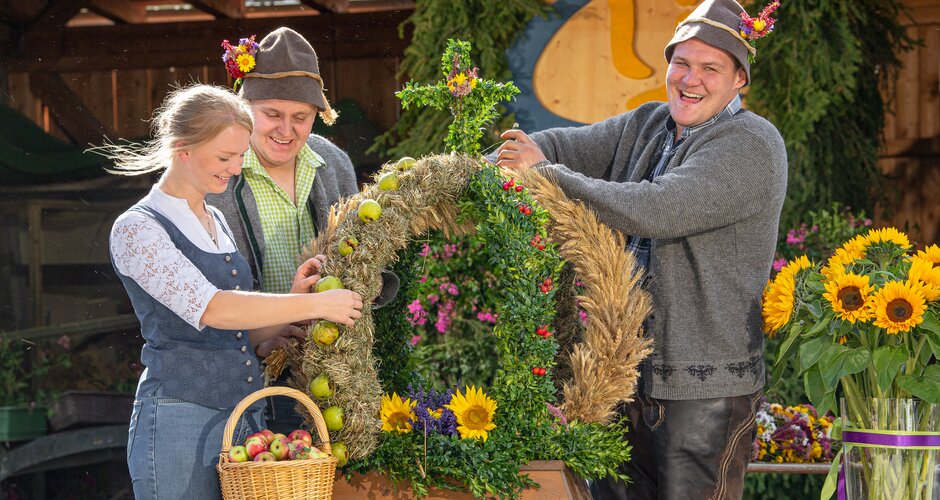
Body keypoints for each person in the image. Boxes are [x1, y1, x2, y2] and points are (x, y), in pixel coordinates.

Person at [495, 0, 787, 498]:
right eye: (681, 63)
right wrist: (479, 168)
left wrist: (542, 174)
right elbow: (558, 145)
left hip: (705, 395)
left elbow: (657, 208)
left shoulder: (751, 142)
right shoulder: (648, 124)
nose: (690, 80)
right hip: (623, 378)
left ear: (740, 79)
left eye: (710, 68)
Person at [106, 84, 363, 499]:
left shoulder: (214, 221)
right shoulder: (138, 228)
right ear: (182, 150)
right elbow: (213, 310)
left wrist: (295, 300)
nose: (237, 168)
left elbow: (238, 335)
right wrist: (315, 303)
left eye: (240, 156)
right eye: (225, 157)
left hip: (245, 420)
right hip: (179, 421)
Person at [207, 27, 398, 433]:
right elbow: (205, 291)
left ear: (318, 115)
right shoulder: (219, 174)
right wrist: (256, 340)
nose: (286, 130)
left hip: (325, 374)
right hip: (245, 379)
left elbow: (356, 249)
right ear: (245, 110)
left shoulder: (333, 164)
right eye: (272, 114)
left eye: (301, 117)